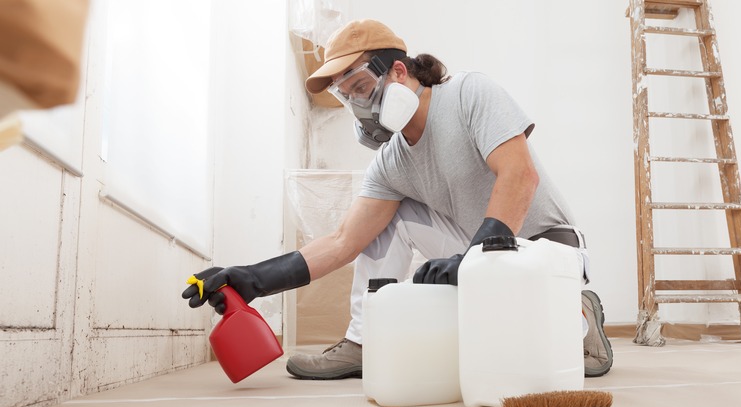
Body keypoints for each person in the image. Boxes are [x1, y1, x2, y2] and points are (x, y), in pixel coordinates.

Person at [182, 19, 613, 380]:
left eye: (362, 86)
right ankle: (364, 342)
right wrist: (254, 279)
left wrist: (475, 258)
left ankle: (577, 312)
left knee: (537, 354)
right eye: (344, 95)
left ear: (400, 73)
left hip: (546, 248)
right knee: (392, 215)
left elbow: (521, 175)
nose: (357, 105)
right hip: (480, 254)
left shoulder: (468, 93)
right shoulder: (391, 163)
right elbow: (342, 241)